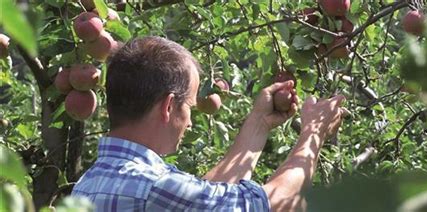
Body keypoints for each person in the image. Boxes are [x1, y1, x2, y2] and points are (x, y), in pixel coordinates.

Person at [72, 36, 347, 211]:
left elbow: (203, 198)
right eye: (190, 106)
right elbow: (268, 205)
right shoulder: (152, 187)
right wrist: (313, 132)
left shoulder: (89, 183)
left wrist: (259, 123)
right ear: (169, 106)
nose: (190, 121)